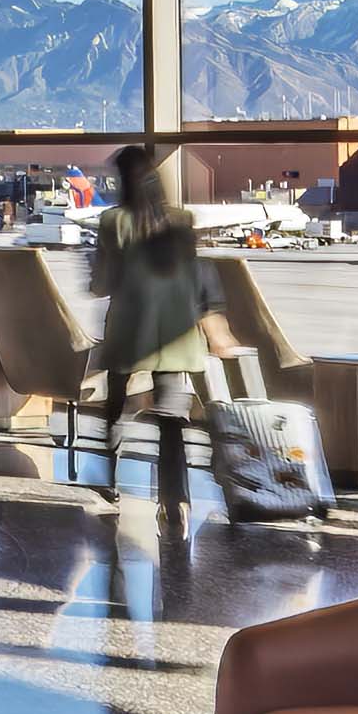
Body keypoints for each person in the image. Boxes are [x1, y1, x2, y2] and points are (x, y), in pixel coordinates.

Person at [87, 140, 217, 513]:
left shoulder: (113, 222)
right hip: (177, 330)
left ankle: (110, 479)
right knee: (171, 415)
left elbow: (103, 284)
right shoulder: (182, 221)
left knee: (116, 403)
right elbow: (194, 278)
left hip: (130, 327)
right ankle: (174, 498)